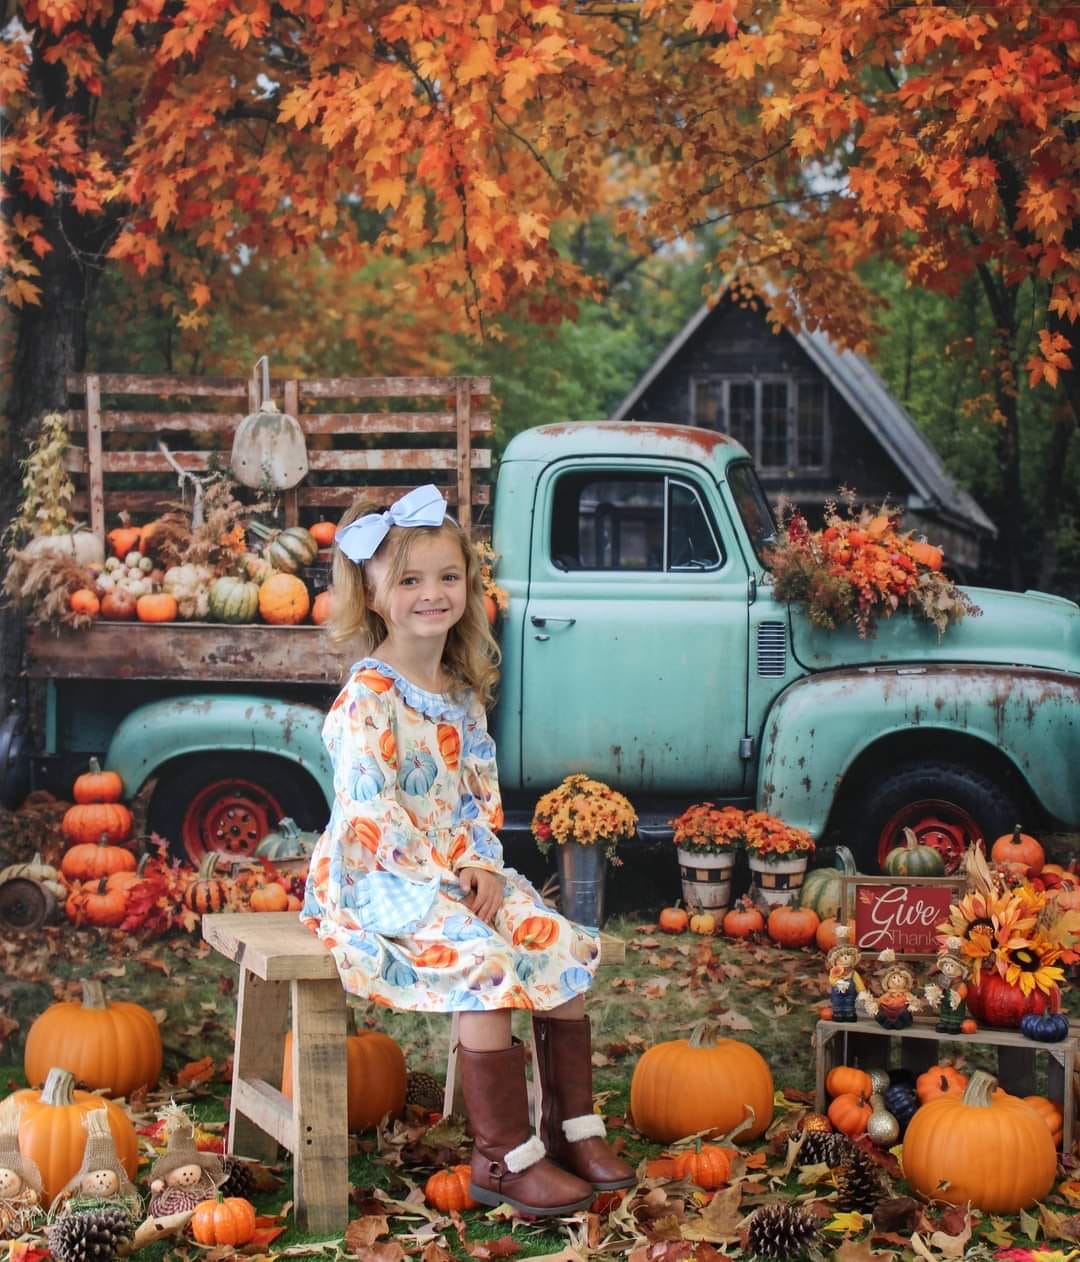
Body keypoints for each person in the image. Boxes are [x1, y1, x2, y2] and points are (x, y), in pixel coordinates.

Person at [302, 485, 635, 1217]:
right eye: (410, 580)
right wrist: (444, 878)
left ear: (469, 586)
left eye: (447, 576)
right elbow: (372, 814)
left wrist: (480, 862)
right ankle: (502, 1160)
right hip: (382, 876)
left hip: (459, 867)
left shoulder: (460, 693)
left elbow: (479, 796)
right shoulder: (367, 700)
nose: (432, 593)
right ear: (373, 594)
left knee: (553, 941)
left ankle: (569, 1129)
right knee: (485, 962)